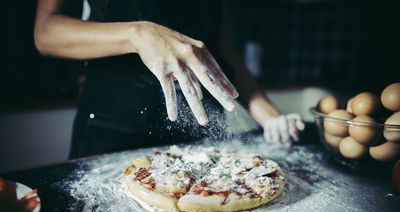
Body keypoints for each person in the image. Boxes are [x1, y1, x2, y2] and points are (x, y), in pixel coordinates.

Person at [34, 0, 305, 158]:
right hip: (113, 130)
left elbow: (225, 57)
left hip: (199, 136)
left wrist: (270, 117)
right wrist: (138, 34)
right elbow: (46, 32)